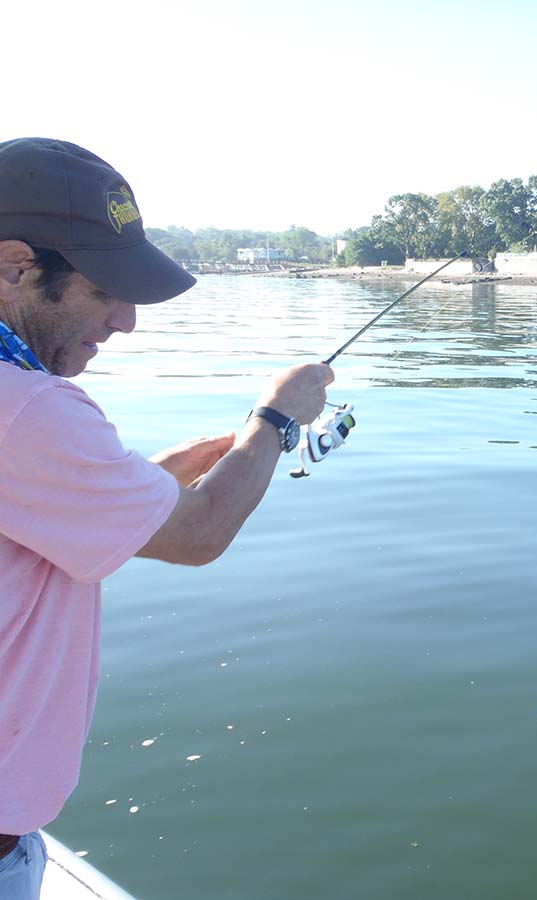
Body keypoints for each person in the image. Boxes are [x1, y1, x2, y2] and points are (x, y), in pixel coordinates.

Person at [0, 138, 333, 898]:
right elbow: (197, 535)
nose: (125, 322)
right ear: (15, 266)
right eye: (105, 289)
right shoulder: (25, 408)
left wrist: (155, 476)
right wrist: (276, 417)